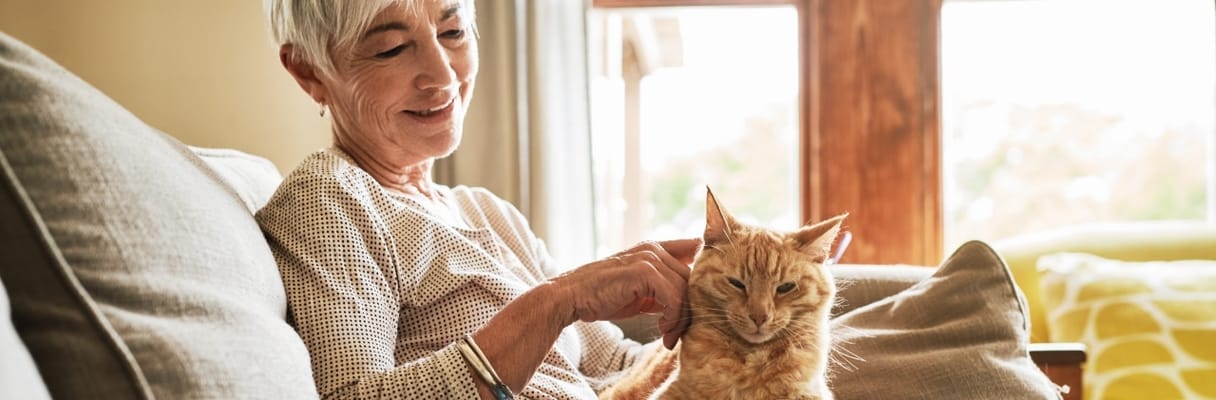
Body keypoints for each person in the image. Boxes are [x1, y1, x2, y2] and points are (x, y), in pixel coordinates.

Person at [255, 0, 699, 398]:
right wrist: (557, 301)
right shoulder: (326, 200)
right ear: (309, 70)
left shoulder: (487, 211)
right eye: (392, 48)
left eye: (453, 33)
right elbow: (354, 396)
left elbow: (613, 364)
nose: (444, 75)